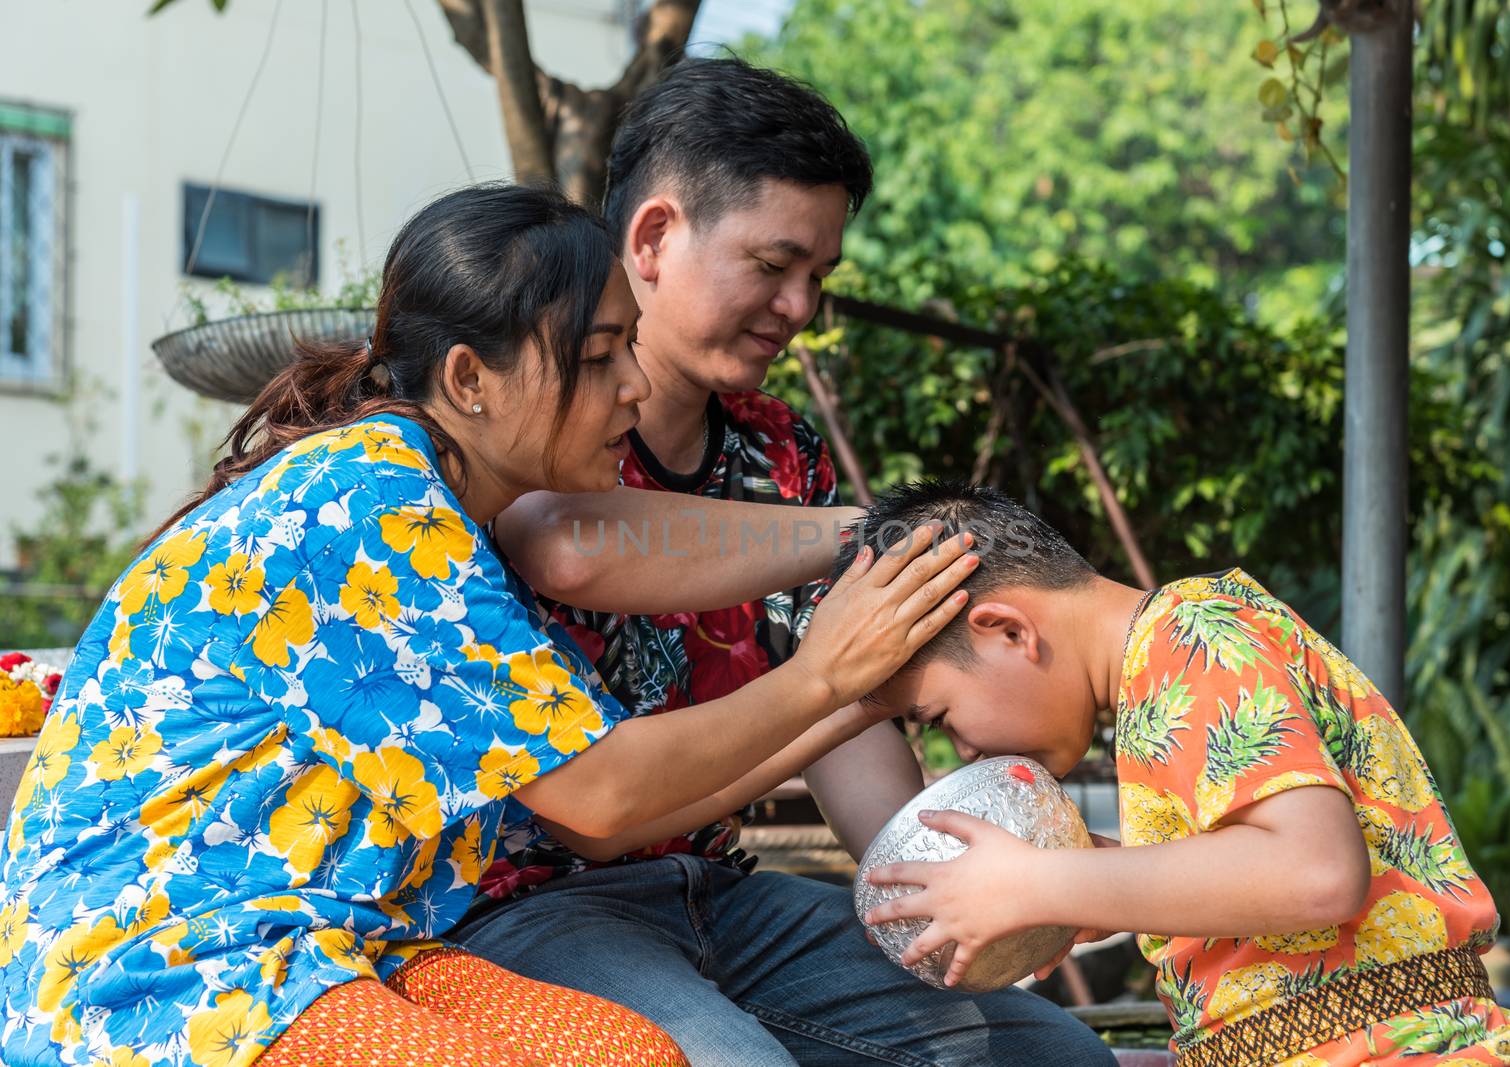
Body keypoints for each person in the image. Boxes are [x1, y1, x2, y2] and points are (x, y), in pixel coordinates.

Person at [0, 182, 974, 1067]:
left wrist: (850, 679)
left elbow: (602, 785)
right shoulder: (372, 507)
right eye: (600, 359)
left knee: (636, 1055)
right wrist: (826, 675)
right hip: (167, 975)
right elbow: (600, 795)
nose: (632, 391)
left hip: (337, 947)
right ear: (471, 380)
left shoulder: (425, 501)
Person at [464, 57, 1116, 1067]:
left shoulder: (781, 449)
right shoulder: (536, 418)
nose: (801, 306)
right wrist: (876, 536)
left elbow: (841, 722)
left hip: (718, 893)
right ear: (652, 236)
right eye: (773, 266)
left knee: (1048, 1053)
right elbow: (570, 544)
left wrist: (947, 889)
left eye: (818, 277)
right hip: (528, 912)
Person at [851, 481, 1510, 1066]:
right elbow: (1266, 885)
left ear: (1008, 630)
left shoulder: (1189, 633)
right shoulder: (1159, 675)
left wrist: (1037, 881)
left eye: (940, 714)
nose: (965, 749)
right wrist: (1101, 889)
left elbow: (1315, 871)